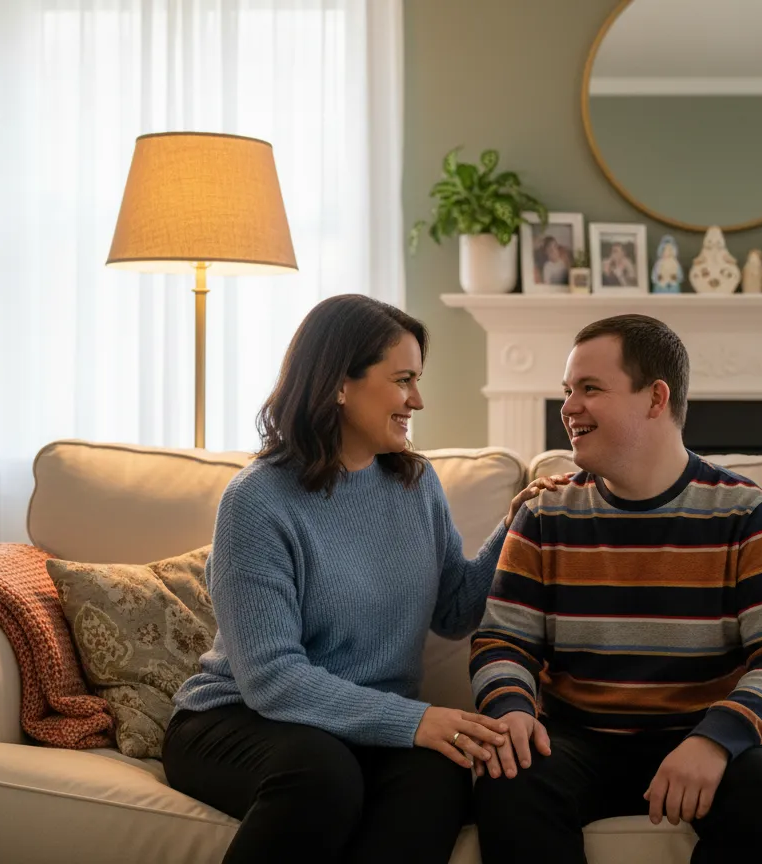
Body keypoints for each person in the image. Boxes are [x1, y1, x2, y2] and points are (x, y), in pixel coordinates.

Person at [161, 294, 568, 864]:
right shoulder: (257, 500)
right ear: (338, 384)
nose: (417, 400)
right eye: (403, 379)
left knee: (440, 776)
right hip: (239, 719)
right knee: (322, 775)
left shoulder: (414, 484)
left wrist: (516, 525)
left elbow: (454, 610)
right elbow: (272, 679)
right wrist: (418, 719)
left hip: (361, 727)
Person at [469, 314, 762, 864]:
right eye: (567, 391)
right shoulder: (544, 513)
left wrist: (715, 739)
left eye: (590, 389)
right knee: (510, 775)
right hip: (577, 737)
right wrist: (512, 709)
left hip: (706, 730)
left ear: (656, 398)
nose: (568, 407)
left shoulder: (748, 512)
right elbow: (502, 642)